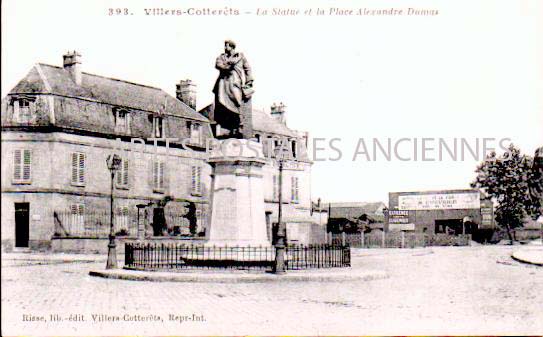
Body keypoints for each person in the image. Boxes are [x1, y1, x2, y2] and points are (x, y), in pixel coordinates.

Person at [213, 40, 254, 114]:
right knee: (221, 100)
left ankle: (238, 118)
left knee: (237, 100)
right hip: (223, 82)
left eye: (226, 45)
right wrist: (227, 66)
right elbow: (218, 65)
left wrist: (249, 81)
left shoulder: (240, 56)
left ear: (231, 47)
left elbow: (247, 69)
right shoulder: (221, 57)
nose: (225, 47)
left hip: (235, 82)